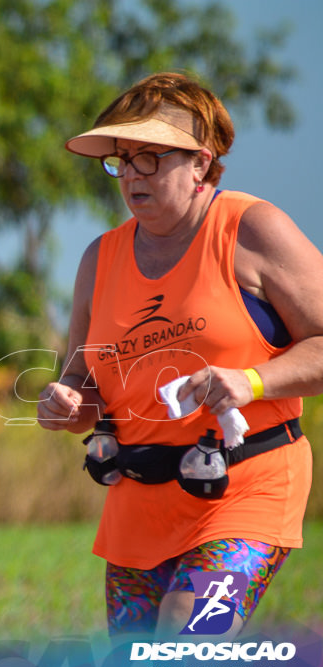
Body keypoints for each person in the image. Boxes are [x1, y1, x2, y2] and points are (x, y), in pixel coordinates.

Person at [37, 72, 323, 638]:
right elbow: (82, 378)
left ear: (201, 163)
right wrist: (69, 402)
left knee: (185, 644)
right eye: (123, 159)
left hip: (245, 491)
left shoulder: (251, 229)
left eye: (152, 158)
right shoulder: (100, 256)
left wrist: (252, 381)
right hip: (138, 508)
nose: (133, 176)